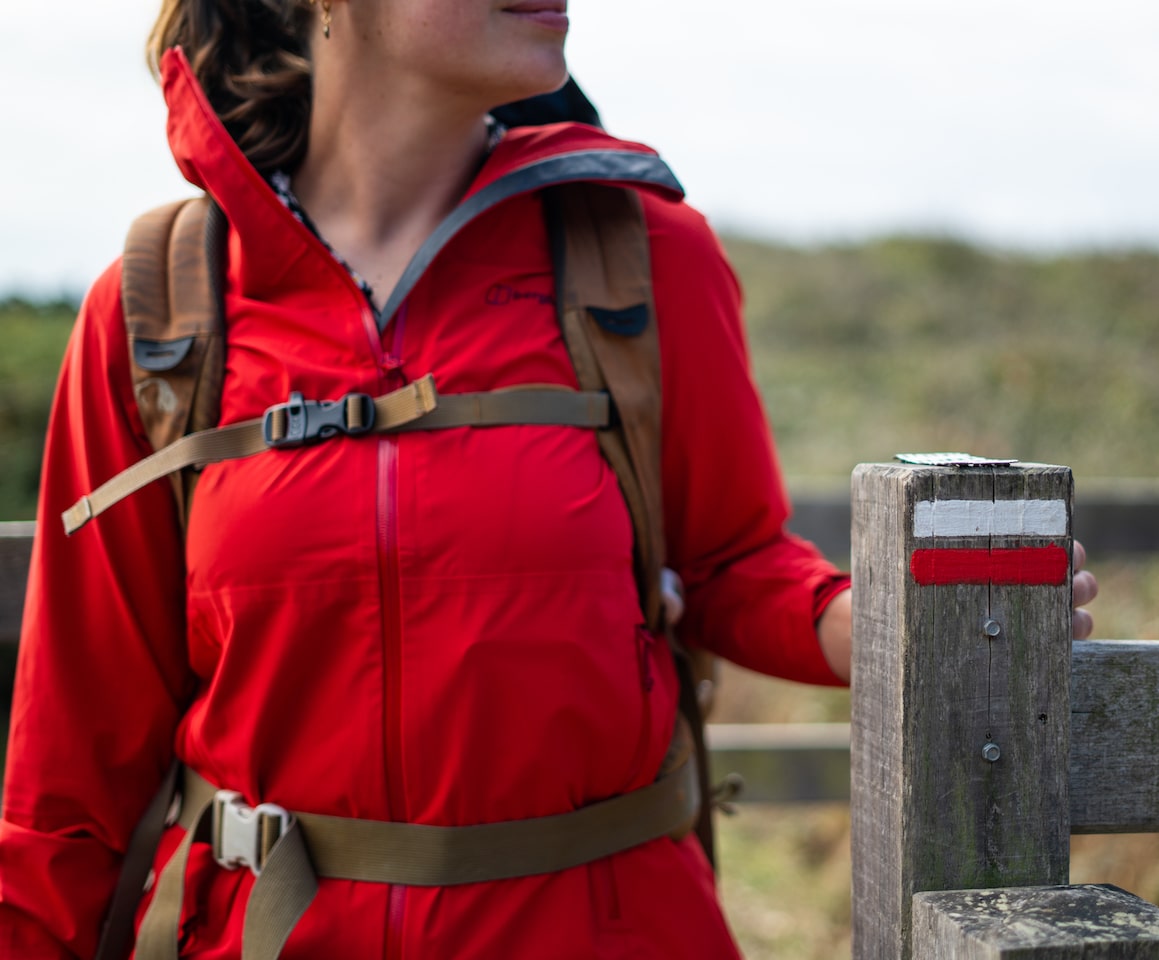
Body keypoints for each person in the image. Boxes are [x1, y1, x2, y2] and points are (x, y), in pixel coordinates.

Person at [0, 1, 1095, 957]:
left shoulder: (641, 257)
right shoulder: (159, 315)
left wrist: (874, 623)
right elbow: (66, 783)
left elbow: (728, 559)